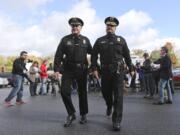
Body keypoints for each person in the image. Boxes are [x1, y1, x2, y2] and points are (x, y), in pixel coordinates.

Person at [91, 17, 132, 131]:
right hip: (105, 71)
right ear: (106, 27)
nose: (110, 27)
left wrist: (131, 67)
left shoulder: (121, 40)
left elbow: (127, 56)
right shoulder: (100, 40)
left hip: (118, 71)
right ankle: (109, 105)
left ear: (115, 27)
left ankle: (116, 121)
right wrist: (94, 68)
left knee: (119, 95)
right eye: (108, 25)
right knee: (106, 93)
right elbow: (94, 56)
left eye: (112, 26)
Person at [54, 17, 92, 127]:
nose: (74, 27)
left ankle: (84, 114)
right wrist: (56, 69)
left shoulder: (86, 40)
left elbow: (92, 53)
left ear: (81, 27)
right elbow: (58, 55)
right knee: (64, 91)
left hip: (82, 69)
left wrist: (94, 67)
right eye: (73, 26)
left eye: (77, 26)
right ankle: (71, 114)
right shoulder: (65, 39)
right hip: (68, 69)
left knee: (82, 93)